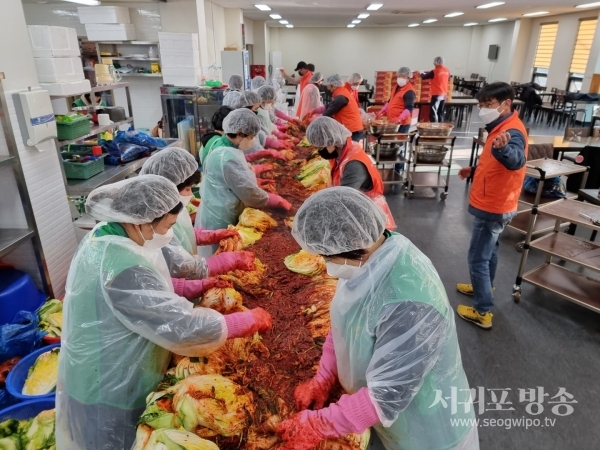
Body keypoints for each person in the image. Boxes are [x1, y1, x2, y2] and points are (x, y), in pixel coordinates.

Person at [56, 175, 273, 450]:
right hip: (109, 386)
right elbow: (180, 326)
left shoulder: (114, 237)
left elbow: (151, 295)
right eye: (168, 226)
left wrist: (197, 284)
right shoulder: (120, 262)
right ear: (142, 220)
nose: (170, 233)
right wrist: (246, 320)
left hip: (114, 369)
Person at [277, 187, 478, 450]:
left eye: (326, 255)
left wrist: (316, 425)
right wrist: (324, 377)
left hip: (429, 430)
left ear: (347, 245)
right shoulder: (366, 261)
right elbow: (346, 323)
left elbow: (385, 398)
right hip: (389, 423)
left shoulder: (410, 304)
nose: (326, 263)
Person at [456, 82, 528, 329]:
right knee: (491, 251)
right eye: (481, 105)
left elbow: (516, 160)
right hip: (499, 202)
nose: (483, 109)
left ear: (506, 103)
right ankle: (483, 286)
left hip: (494, 206)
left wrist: (504, 149)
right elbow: (494, 165)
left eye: (488, 105)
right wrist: (474, 170)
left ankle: (482, 310)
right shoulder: (499, 125)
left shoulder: (511, 132)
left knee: (477, 258)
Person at [140, 147, 255, 281]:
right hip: (181, 288)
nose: (190, 195)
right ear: (168, 188)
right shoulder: (155, 222)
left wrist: (212, 235)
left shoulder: (173, 207)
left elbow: (184, 234)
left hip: (191, 278)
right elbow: (179, 267)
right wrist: (220, 263)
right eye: (187, 189)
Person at [196, 109, 292, 253]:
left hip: (220, 208)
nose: (252, 140)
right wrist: (273, 200)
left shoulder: (228, 149)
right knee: (222, 254)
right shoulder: (226, 157)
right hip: (221, 216)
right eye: (252, 136)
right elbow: (249, 193)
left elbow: (240, 174)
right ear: (240, 134)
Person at [306, 116, 395, 229]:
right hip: (357, 208)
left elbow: (343, 201)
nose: (319, 151)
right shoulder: (340, 152)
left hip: (369, 217)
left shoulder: (354, 165)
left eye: (320, 147)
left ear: (331, 140)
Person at [321, 74, 364, 142]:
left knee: (351, 151)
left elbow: (328, 113)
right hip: (353, 129)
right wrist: (320, 109)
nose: (328, 89)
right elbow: (333, 104)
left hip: (352, 131)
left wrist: (318, 118)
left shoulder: (341, 97)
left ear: (334, 86)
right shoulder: (342, 92)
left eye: (329, 87)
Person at [376, 67, 415, 133]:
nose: (400, 78)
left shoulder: (409, 91)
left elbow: (409, 108)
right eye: (399, 76)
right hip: (392, 121)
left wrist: (400, 118)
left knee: (399, 142)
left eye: (403, 76)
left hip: (402, 124)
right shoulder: (396, 87)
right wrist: (382, 111)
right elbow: (390, 100)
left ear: (408, 78)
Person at [421, 56, 450, 123]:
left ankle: (434, 126)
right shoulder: (447, 70)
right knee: (440, 112)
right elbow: (448, 79)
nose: (433, 63)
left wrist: (421, 73)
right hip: (444, 94)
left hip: (436, 94)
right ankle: (441, 127)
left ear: (437, 62)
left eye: (434, 62)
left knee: (433, 111)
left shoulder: (435, 71)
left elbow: (424, 77)